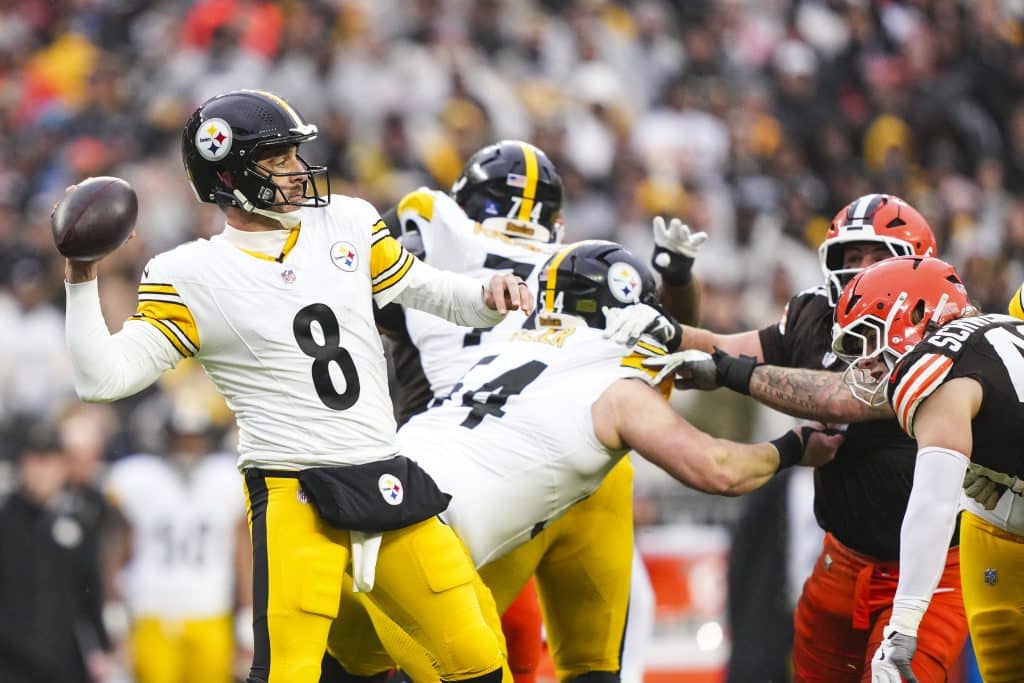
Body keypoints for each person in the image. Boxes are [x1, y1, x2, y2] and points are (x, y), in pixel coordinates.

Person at [62, 89, 533, 683]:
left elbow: (429, 291)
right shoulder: (190, 274)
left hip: (383, 470)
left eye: (293, 154)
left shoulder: (349, 222)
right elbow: (102, 379)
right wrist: (82, 278)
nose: (296, 169)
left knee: (477, 656)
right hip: (294, 488)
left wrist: (485, 297)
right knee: (289, 672)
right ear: (228, 174)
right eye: (277, 158)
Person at [327, 240, 843, 682]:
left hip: (357, 505)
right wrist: (794, 447)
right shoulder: (617, 389)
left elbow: (696, 342)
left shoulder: (504, 344)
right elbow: (719, 469)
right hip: (420, 537)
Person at [374, 140, 706, 682]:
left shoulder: (428, 224)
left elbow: (341, 302)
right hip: (587, 473)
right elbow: (677, 343)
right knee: (588, 664)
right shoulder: (579, 267)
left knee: (418, 652)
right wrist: (678, 281)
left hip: (468, 476)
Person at [656, 195, 968, 682]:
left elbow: (841, 398)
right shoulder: (817, 317)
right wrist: (657, 323)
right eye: (851, 257)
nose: (861, 269)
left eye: (876, 254)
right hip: (841, 555)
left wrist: (734, 374)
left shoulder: (940, 329)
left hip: (929, 571)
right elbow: (723, 348)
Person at [825, 256, 1023, 683]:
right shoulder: (1005, 325)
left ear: (916, 314)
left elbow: (933, 504)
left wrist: (902, 628)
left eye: (867, 339)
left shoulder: (934, 365)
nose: (865, 362)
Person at [103, 401, 250, 683]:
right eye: (180, 440)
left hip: (210, 610)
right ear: (166, 439)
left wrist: (246, 612)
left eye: (194, 440)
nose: (187, 448)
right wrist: (113, 607)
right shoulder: (139, 478)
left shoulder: (226, 478)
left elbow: (242, 552)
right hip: (152, 611)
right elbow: (117, 545)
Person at [0, 422, 111, 683]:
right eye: (34, 463)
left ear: (63, 467)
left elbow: (89, 588)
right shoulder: (5, 520)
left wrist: (102, 647)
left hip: (63, 656)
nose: (42, 473)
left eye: (49, 462)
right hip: (9, 656)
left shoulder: (80, 520)